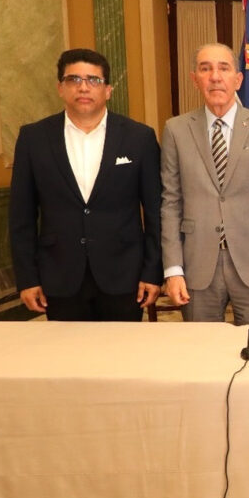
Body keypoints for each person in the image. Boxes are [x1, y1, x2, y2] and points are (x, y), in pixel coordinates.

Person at [9, 48, 162, 321]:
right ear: (60, 88)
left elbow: (155, 212)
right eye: (74, 79)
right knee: (66, 350)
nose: (83, 87)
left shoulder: (139, 137)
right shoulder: (34, 139)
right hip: (59, 276)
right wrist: (27, 278)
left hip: (124, 276)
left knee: (123, 349)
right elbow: (21, 215)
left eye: (94, 80)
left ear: (108, 90)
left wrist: (152, 272)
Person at [160, 43, 249, 325]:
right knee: (201, 349)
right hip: (197, 268)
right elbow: (170, 204)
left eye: (224, 68)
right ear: (194, 79)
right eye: (205, 69)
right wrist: (173, 269)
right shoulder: (176, 130)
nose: (215, 77)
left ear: (238, 79)